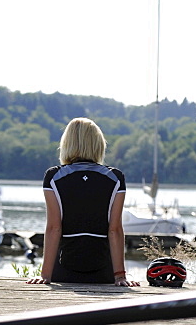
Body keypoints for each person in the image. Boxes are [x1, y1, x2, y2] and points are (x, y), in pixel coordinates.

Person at [27, 118, 139, 287]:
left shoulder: (54, 176)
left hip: (63, 272)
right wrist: (120, 277)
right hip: (103, 273)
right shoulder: (115, 177)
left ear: (67, 143)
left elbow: (54, 228)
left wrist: (45, 276)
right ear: (98, 144)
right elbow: (115, 229)